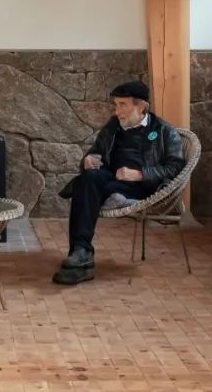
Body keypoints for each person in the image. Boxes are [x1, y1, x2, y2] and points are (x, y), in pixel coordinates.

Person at [51, 79, 184, 285]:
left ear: (141, 106)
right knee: (88, 178)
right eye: (116, 105)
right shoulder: (113, 126)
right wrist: (88, 160)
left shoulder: (164, 131)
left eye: (123, 105)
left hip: (143, 187)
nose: (117, 111)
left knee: (84, 187)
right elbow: (95, 152)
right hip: (113, 180)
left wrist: (140, 174)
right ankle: (81, 253)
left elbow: (175, 167)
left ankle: (81, 255)